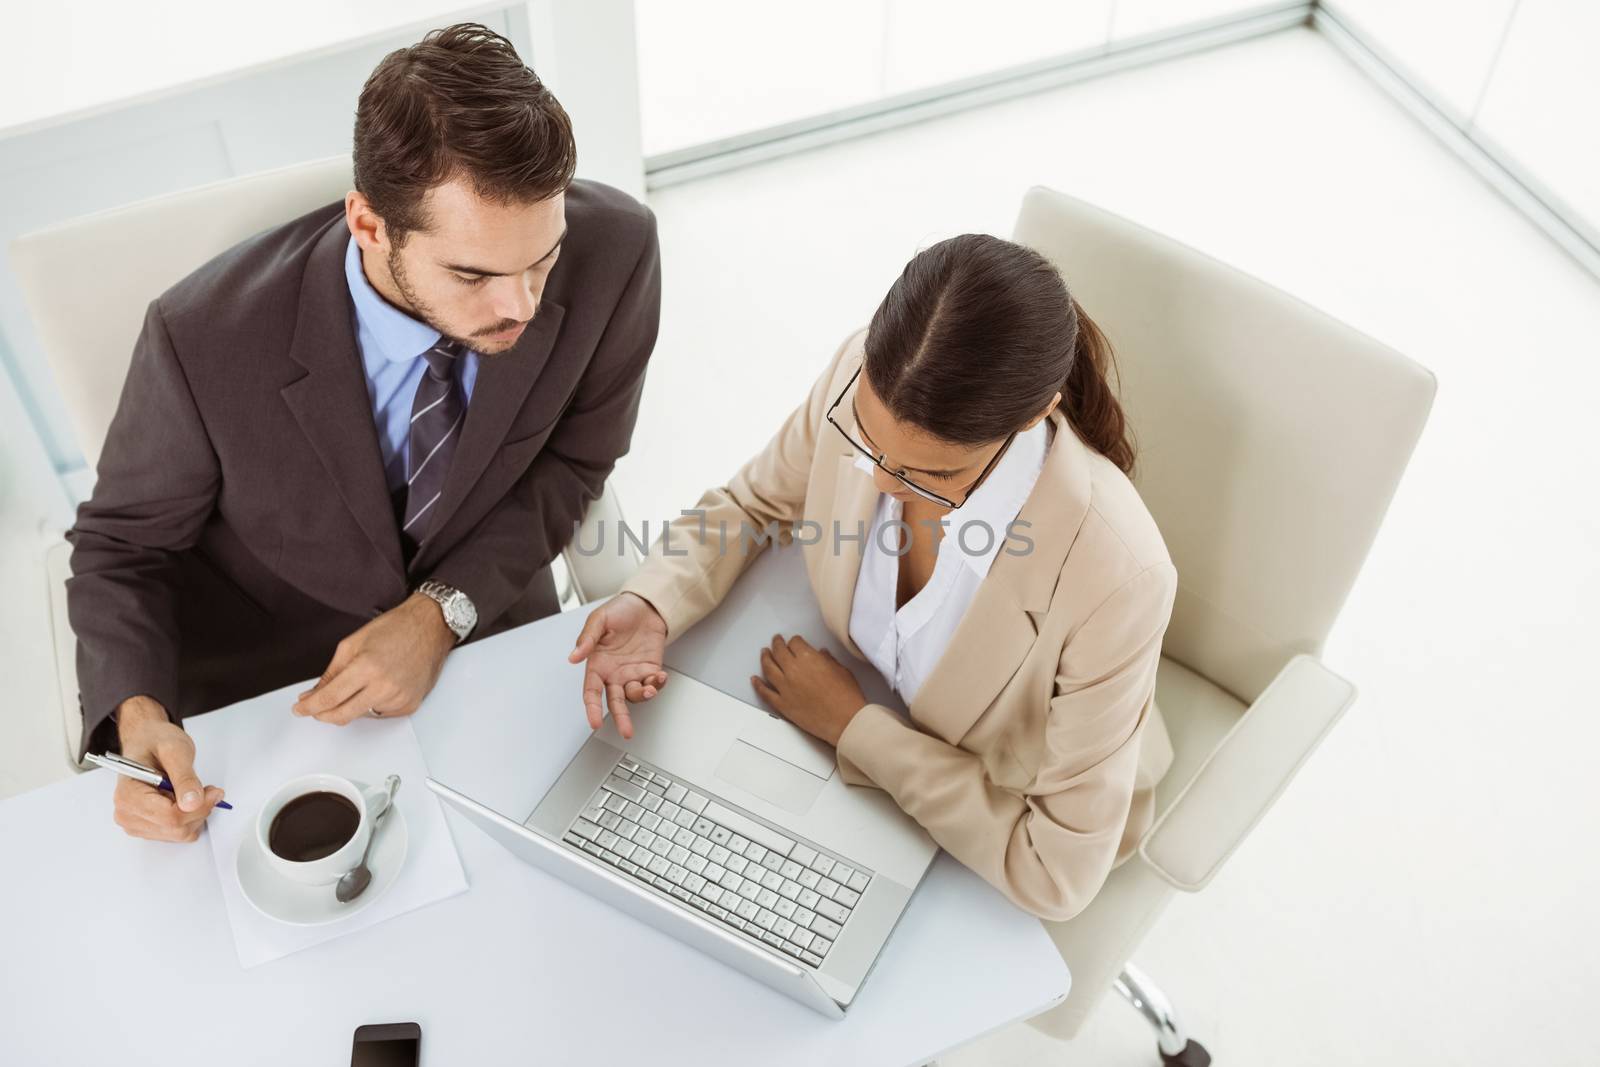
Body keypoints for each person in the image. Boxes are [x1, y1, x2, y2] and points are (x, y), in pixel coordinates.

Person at [69, 23, 661, 843]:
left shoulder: (617, 252)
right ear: (370, 225)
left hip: (488, 639)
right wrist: (135, 716)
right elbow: (123, 550)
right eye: (474, 274)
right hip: (278, 696)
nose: (520, 307)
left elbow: (577, 458)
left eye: (541, 262)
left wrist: (440, 612)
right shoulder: (200, 338)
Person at [569, 233, 1175, 922]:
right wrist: (654, 601)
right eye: (868, 440)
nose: (881, 482)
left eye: (931, 473)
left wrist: (854, 727)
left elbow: (1053, 873)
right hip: (840, 741)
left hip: (990, 816)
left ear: (1035, 415)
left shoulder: (1119, 576)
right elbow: (753, 503)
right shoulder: (860, 374)